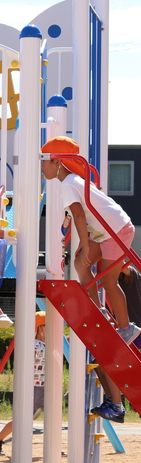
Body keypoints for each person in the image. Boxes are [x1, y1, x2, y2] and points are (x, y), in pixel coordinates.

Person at [41, 136, 141, 344]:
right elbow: (85, 215)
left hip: (116, 231)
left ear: (58, 162)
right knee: (80, 263)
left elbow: (79, 215)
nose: (41, 166)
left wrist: (86, 245)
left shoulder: (68, 184)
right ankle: (99, 312)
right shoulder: (72, 181)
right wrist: (83, 244)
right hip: (105, 231)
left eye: (45, 160)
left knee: (108, 281)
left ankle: (126, 328)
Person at [0, 311, 46, 456]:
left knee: (52, 417)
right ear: (41, 328)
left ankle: (54, 447)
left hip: (44, 386)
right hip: (33, 387)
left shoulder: (47, 344)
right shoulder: (34, 345)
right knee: (21, 419)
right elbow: (27, 363)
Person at [93, 264, 141, 423]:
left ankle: (116, 405)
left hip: (137, 333)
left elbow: (122, 264)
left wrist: (102, 254)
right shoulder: (111, 282)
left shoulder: (131, 276)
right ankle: (112, 401)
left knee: (108, 360)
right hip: (132, 334)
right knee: (98, 362)